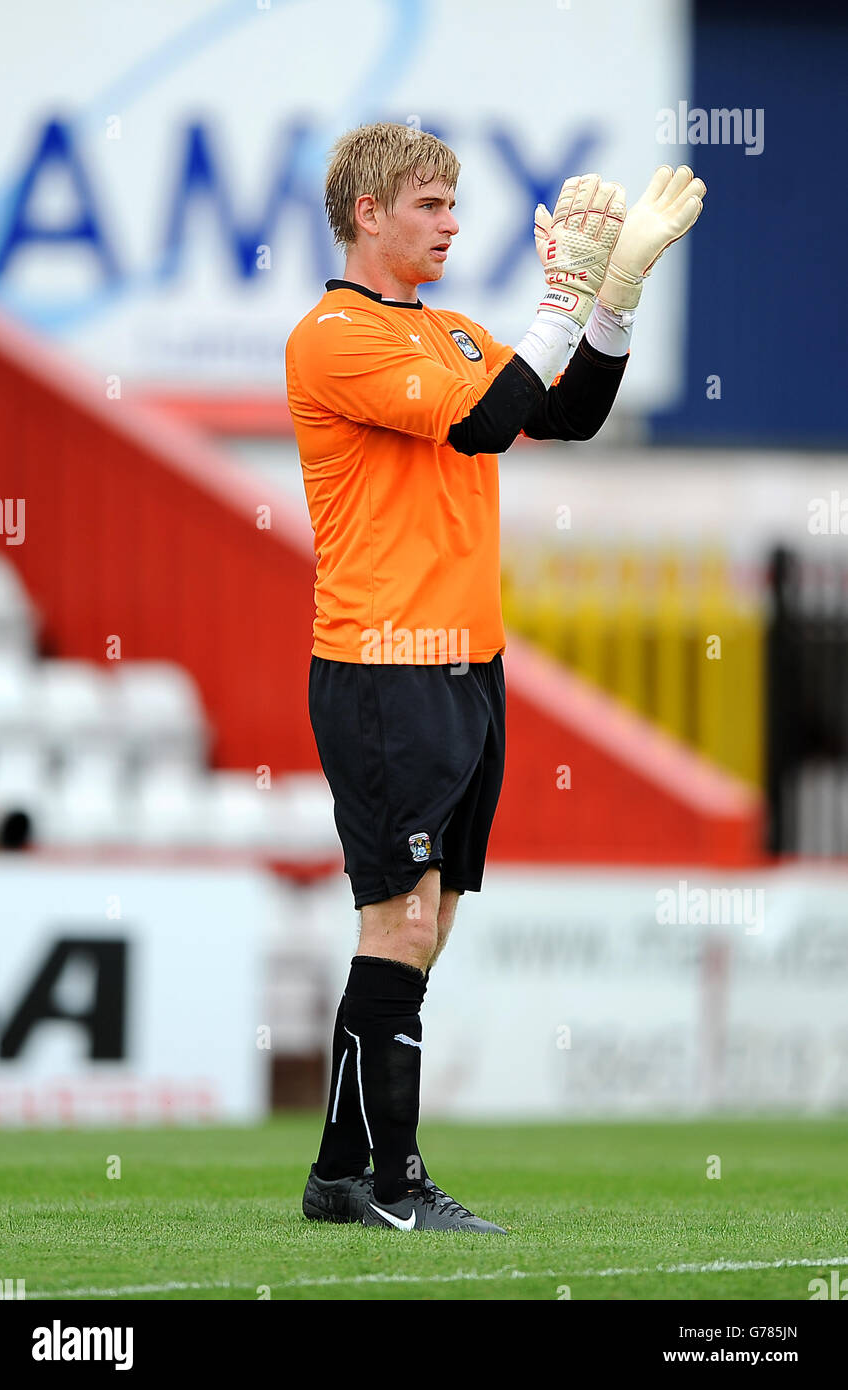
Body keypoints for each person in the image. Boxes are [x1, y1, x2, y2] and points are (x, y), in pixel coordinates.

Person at [285, 121, 705, 1232]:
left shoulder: (457, 332)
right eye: (430, 204)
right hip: (384, 661)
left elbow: (556, 412)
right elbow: (477, 424)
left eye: (454, 202)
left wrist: (611, 299)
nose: (452, 222)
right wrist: (559, 301)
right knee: (402, 926)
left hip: (467, 663)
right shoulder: (330, 336)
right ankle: (392, 1181)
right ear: (366, 213)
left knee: (430, 922)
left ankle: (340, 1169)